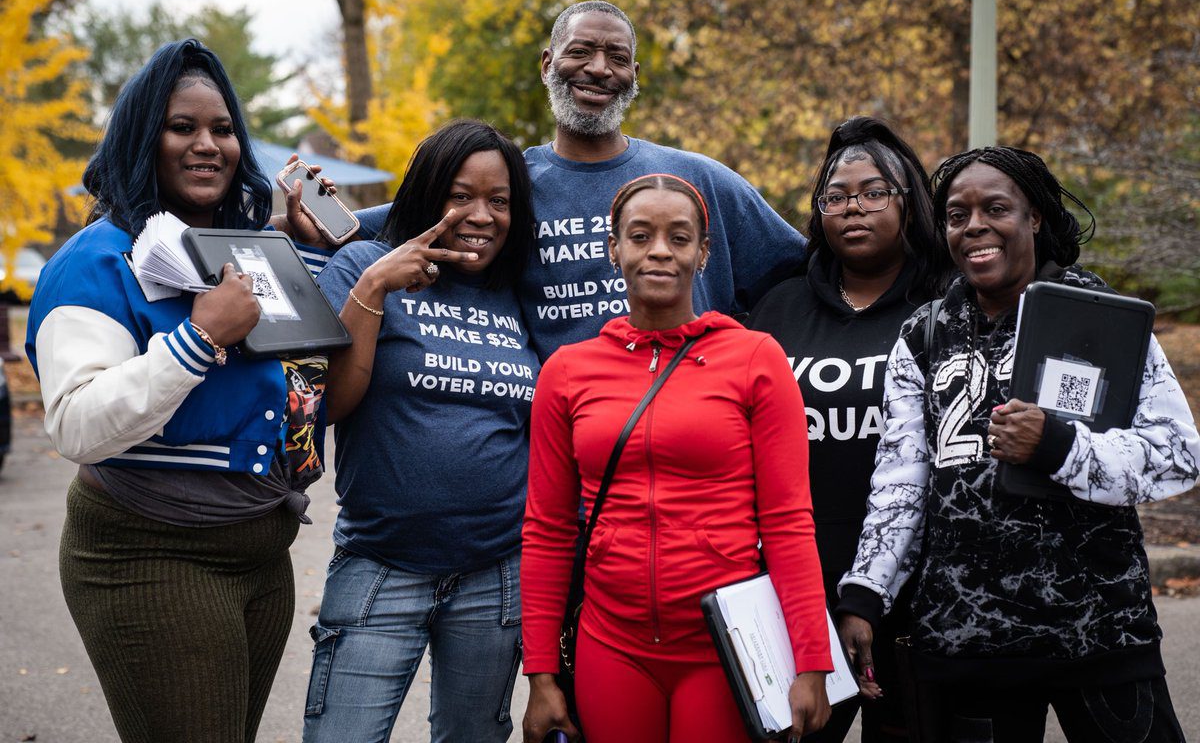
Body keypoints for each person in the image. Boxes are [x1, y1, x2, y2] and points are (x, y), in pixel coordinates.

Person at [836, 146, 1200, 742]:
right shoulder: (923, 336)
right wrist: (866, 592)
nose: (974, 225)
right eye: (957, 214)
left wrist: (1059, 447)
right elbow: (901, 483)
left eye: (996, 208)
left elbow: (1177, 454)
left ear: (1033, 217)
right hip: (967, 634)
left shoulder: (1104, 317)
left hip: (1100, 628)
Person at [25, 39, 333, 743]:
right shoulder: (95, 261)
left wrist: (314, 252)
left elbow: (309, 379)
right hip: (152, 554)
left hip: (262, 554)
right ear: (143, 139)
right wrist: (197, 341)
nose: (208, 145)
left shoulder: (245, 250)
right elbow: (75, 424)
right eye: (182, 127)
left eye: (223, 129)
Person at [521, 173, 832, 743]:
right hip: (610, 645)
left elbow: (788, 521)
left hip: (723, 647)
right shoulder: (567, 371)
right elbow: (547, 528)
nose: (660, 250)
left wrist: (812, 662)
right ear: (613, 249)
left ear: (703, 252)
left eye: (679, 237)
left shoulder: (756, 358)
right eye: (640, 236)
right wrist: (540, 673)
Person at [356, 0, 806, 361]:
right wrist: (306, 216)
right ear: (547, 64)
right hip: (567, 438)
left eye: (618, 58)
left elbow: (804, 270)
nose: (598, 68)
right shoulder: (506, 188)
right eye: (580, 52)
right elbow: (393, 223)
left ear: (634, 77)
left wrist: (753, 359)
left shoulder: (698, 179)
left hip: (691, 431)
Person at [303, 119, 539, 742]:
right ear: (428, 194)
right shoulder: (362, 265)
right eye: (460, 196)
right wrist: (376, 284)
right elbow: (332, 405)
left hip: (495, 575)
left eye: (499, 201)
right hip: (381, 565)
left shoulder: (516, 292)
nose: (481, 216)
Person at [748, 117, 952, 742]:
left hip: (921, 595)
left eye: (873, 192)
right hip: (795, 589)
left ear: (909, 202)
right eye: (835, 196)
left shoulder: (947, 305)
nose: (852, 208)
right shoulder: (778, 306)